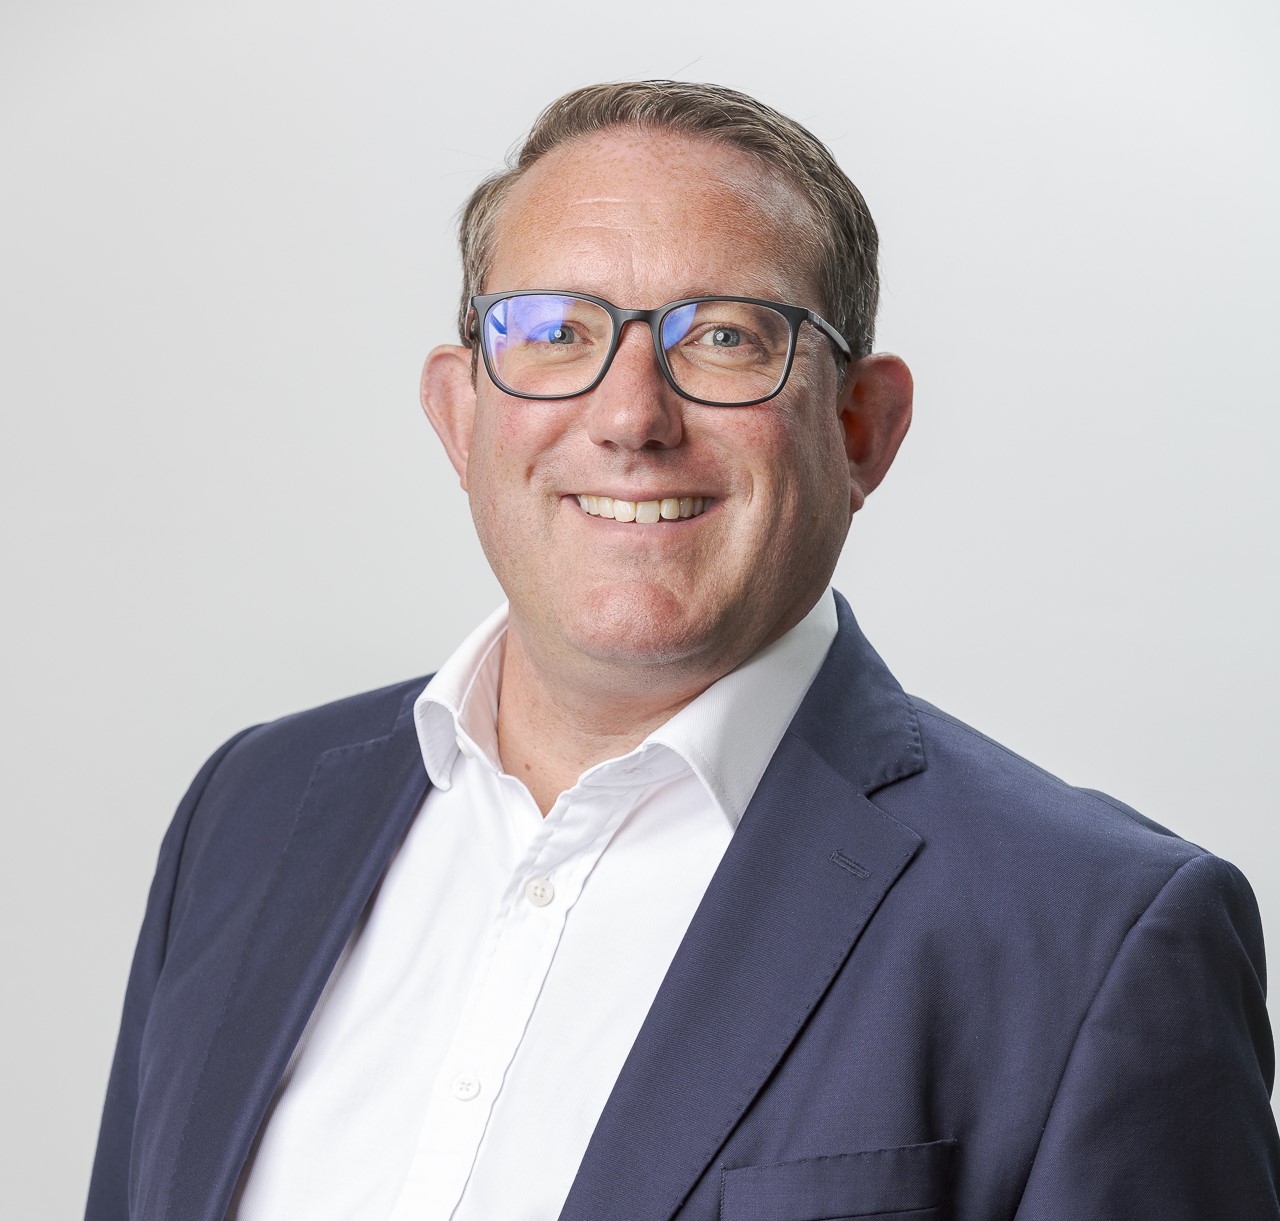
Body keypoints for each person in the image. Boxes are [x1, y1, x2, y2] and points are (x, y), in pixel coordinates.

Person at [86, 80, 1279, 1221]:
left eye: (721, 337)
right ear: (459, 413)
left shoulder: (1091, 936)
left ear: (861, 429)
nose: (629, 417)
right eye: (554, 331)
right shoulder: (250, 810)